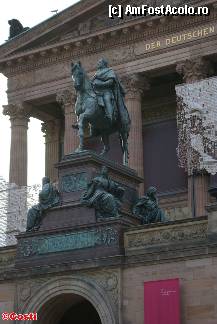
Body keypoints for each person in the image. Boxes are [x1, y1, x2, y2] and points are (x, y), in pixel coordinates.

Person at [91, 58, 130, 125]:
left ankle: (110, 116)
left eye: (99, 62)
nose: (98, 64)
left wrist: (100, 84)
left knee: (107, 99)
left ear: (104, 64)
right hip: (97, 93)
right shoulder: (96, 73)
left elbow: (111, 82)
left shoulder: (109, 71)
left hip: (106, 91)